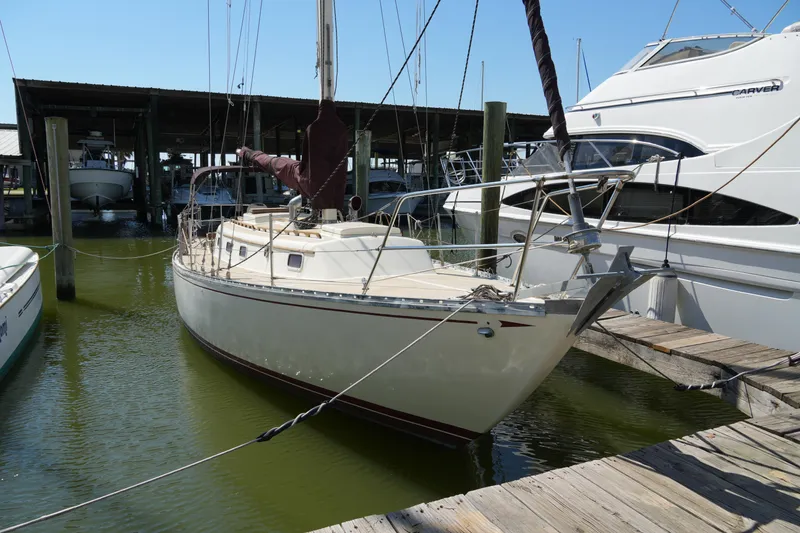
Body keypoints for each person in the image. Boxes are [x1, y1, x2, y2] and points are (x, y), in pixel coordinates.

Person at [238, 99, 348, 211]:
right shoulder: (342, 128)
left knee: (275, 163)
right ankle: (247, 153)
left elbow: (306, 156)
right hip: (329, 192)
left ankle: (246, 153)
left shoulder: (313, 128)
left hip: (305, 177)